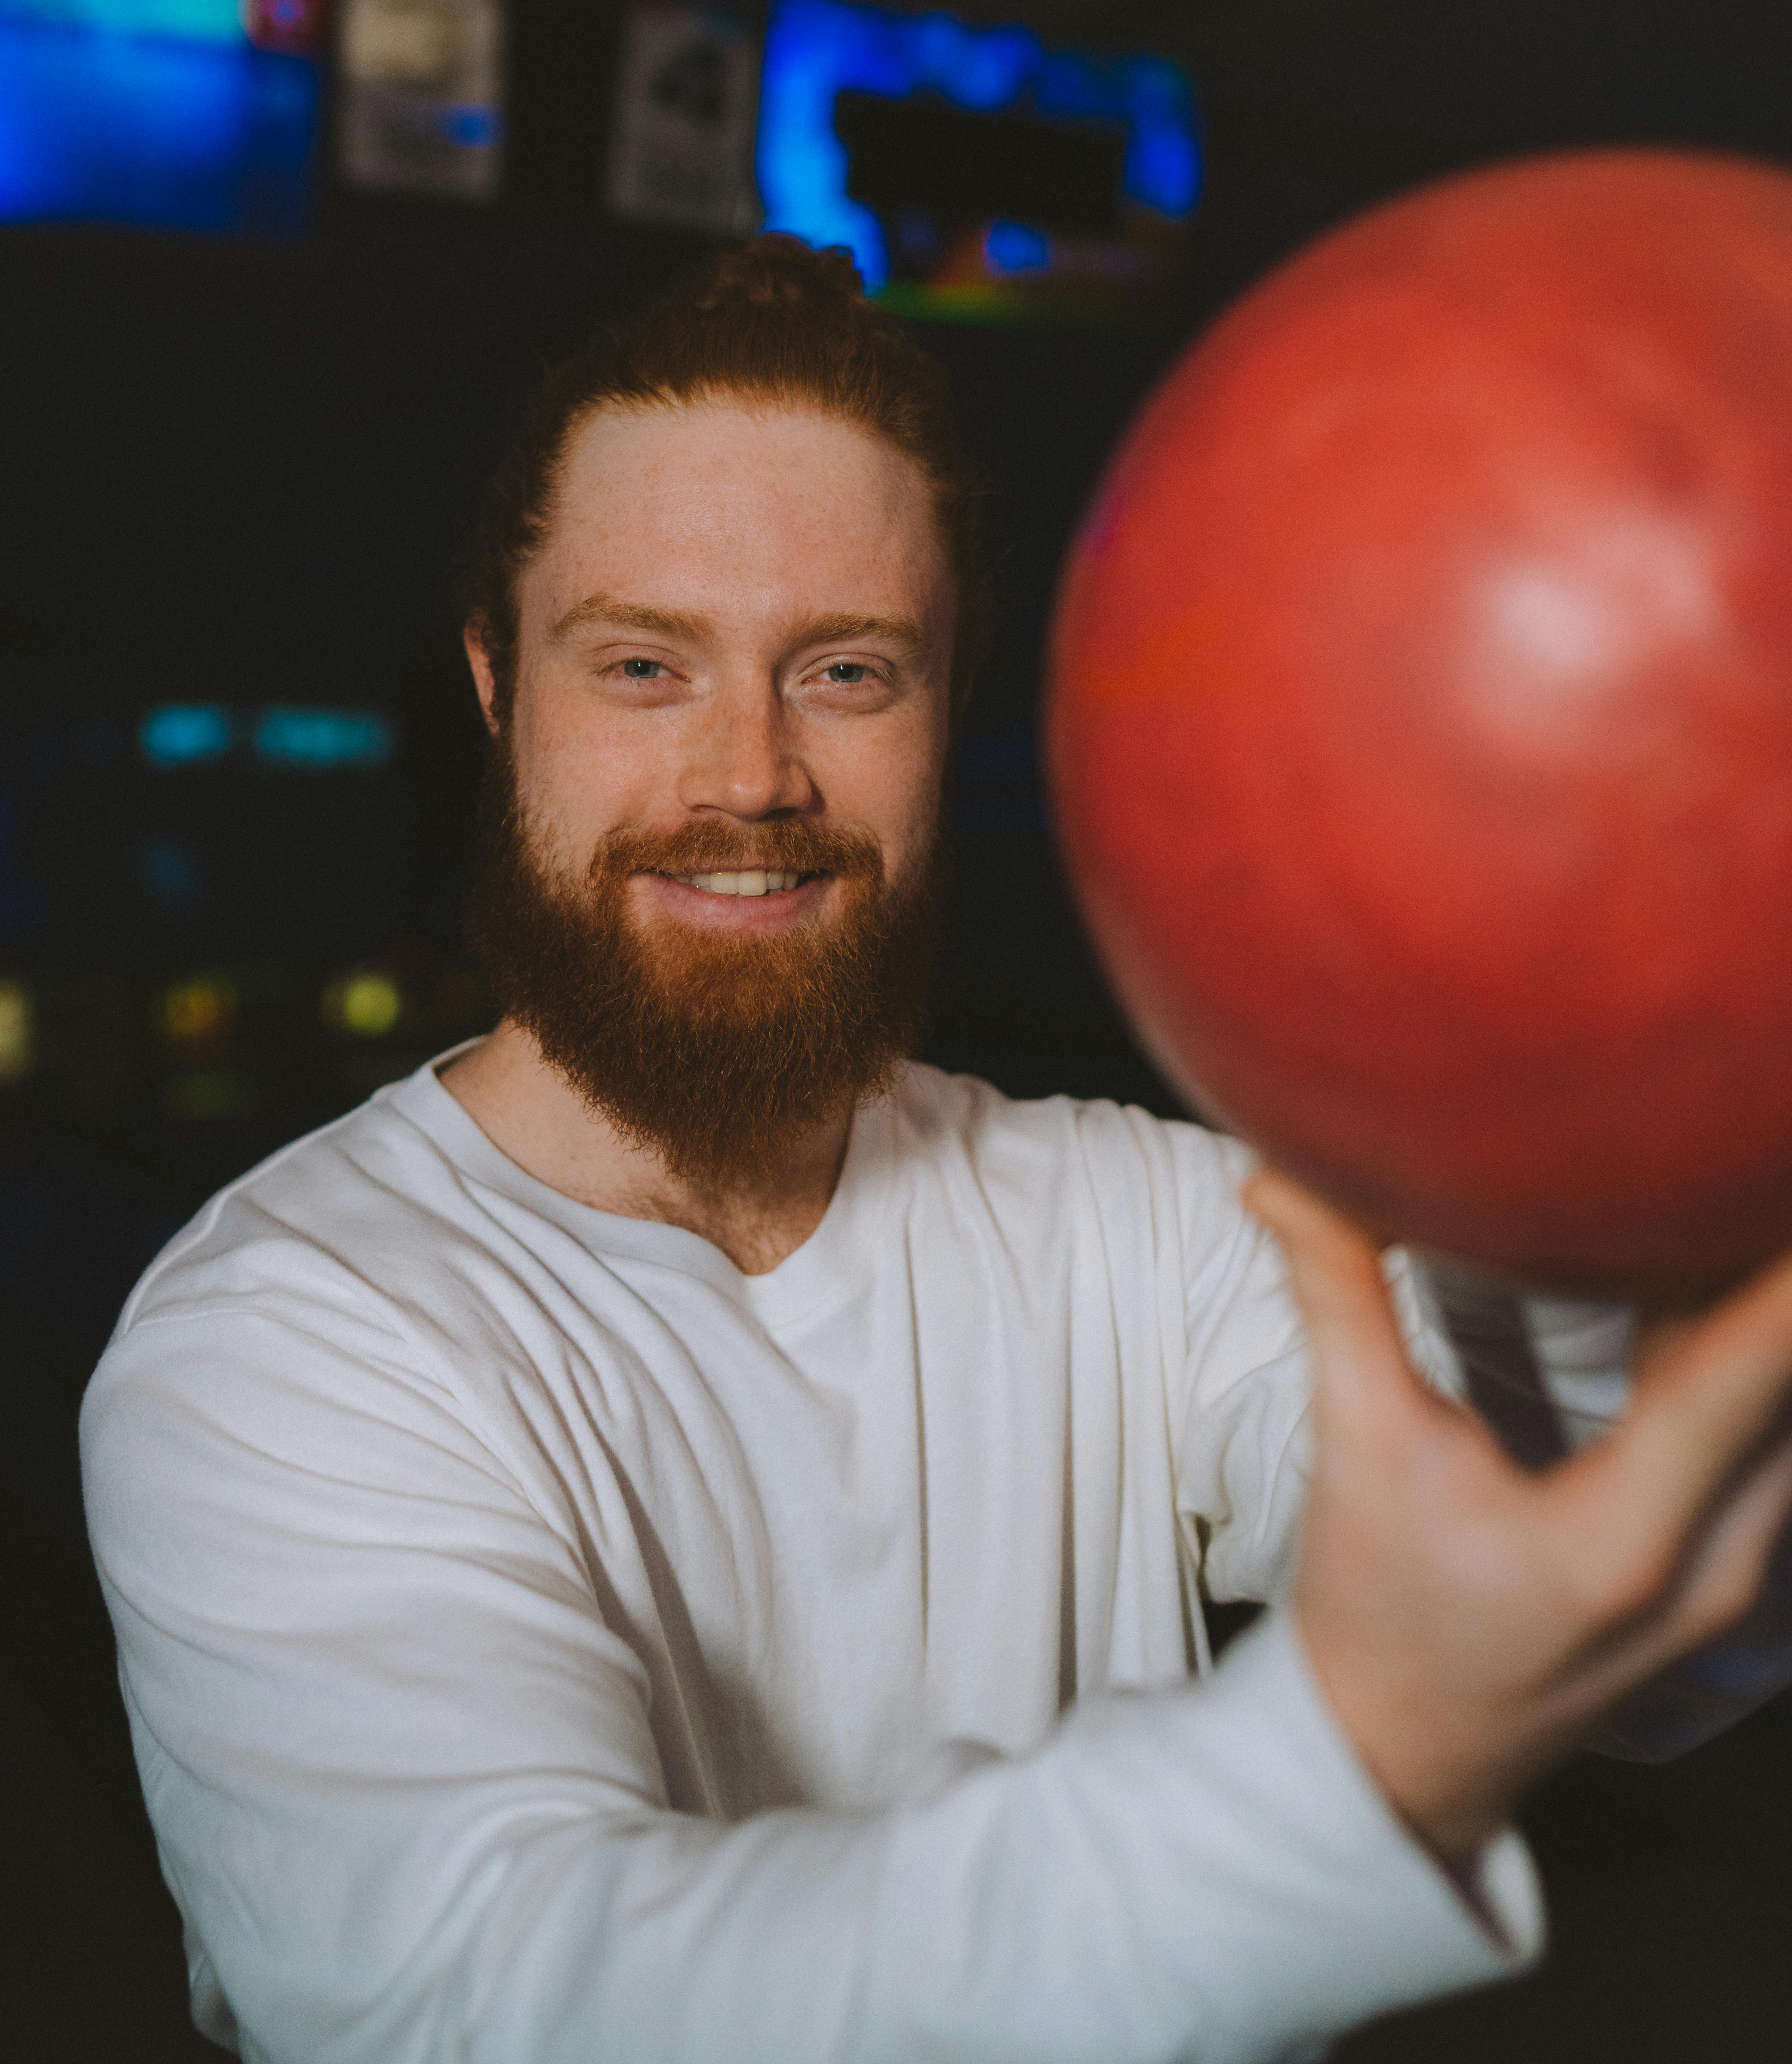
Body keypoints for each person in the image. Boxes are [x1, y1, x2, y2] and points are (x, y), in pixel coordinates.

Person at [82, 239, 1792, 2064]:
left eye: (844, 671)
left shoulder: (1134, 1218)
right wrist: (1340, 1770)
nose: (748, 774)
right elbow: (490, 2002)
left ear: (942, 703)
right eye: (647, 665)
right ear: (503, 694)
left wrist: (1587, 1084)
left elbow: (1632, 1621)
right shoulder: (282, 1338)